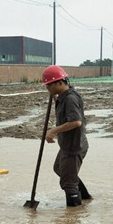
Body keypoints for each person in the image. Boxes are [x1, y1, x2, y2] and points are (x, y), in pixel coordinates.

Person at [42, 65, 92, 207]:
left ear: (59, 83)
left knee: (68, 183)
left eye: (48, 85)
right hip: (67, 145)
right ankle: (86, 197)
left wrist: (54, 131)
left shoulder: (70, 99)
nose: (47, 89)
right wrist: (56, 97)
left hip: (73, 147)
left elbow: (76, 122)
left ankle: (73, 215)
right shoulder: (64, 96)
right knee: (59, 168)